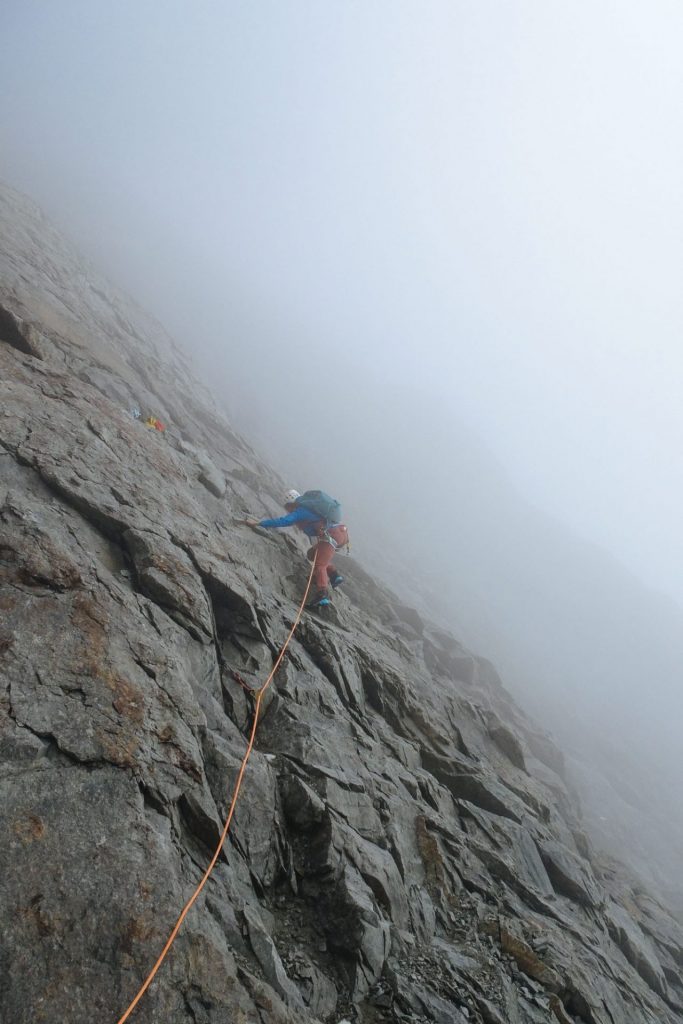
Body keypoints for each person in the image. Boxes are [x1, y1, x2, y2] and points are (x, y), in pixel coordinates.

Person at [244, 489, 348, 608]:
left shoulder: (301, 511)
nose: (287, 510)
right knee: (312, 554)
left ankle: (322, 594)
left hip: (331, 535)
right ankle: (335, 576)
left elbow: (284, 521)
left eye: (287, 507)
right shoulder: (310, 508)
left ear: (290, 503)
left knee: (320, 565)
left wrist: (260, 523)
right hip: (340, 533)